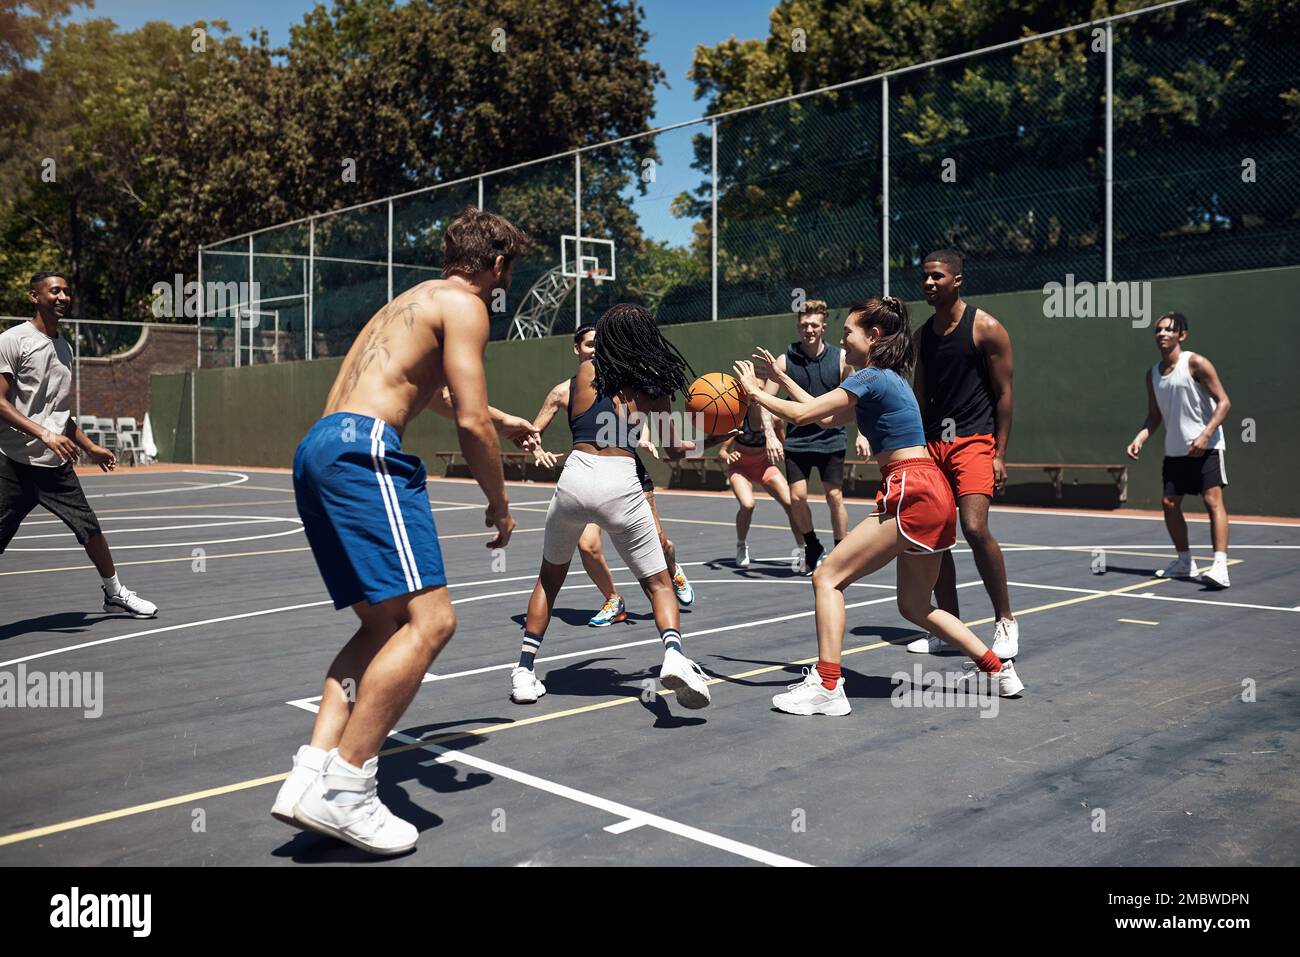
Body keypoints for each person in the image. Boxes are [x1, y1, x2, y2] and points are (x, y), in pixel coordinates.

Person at [273, 207, 540, 855]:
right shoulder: (467, 304)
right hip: (365, 448)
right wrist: (500, 503)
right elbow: (466, 422)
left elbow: (440, 394)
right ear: (497, 265)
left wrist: (499, 418)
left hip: (319, 447)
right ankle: (348, 786)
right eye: (511, 270)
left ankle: (311, 772)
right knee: (433, 620)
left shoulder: (409, 302)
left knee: (380, 625)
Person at [733, 296, 1025, 717]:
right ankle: (997, 669)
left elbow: (804, 412)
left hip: (912, 489)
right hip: (932, 491)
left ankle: (828, 686)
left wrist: (754, 393)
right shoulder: (888, 379)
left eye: (848, 331)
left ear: (872, 337)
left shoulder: (869, 377)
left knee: (827, 577)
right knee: (916, 606)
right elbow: (825, 417)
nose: (841, 338)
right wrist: (781, 376)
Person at [511, 303, 711, 709]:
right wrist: (718, 437)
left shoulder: (583, 374)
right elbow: (673, 452)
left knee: (549, 579)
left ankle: (524, 671)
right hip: (621, 478)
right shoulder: (652, 384)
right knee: (657, 583)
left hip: (576, 474)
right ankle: (673, 655)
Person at [0, 271, 157, 618]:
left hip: (55, 467)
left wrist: (91, 447)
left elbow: (58, 415)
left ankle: (115, 593)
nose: (63, 297)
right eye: (54, 291)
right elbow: (0, 402)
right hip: (12, 464)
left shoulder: (65, 348)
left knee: (90, 528)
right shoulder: (12, 341)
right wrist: (44, 434)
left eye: (66, 292)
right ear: (34, 296)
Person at [529, 324, 695, 628]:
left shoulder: (622, 378)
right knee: (587, 545)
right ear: (576, 348)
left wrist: (645, 434)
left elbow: (638, 411)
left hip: (626, 471)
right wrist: (535, 446)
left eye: (600, 344)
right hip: (588, 476)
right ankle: (613, 599)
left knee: (659, 542)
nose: (596, 349)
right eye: (590, 344)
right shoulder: (564, 390)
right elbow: (534, 430)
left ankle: (672, 570)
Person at [906, 250, 1019, 660]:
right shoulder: (921, 337)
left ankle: (1005, 620)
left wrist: (999, 453)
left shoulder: (986, 328)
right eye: (925, 278)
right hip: (933, 445)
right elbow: (918, 397)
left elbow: (1004, 395)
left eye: (937, 276)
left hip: (975, 441)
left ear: (958, 280)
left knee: (973, 527)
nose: (929, 283)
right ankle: (949, 630)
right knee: (934, 539)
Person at [761, 300, 870, 574]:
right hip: (797, 440)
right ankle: (813, 547)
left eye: (813, 324)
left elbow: (857, 399)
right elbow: (764, 398)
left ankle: (841, 551)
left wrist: (862, 434)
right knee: (797, 498)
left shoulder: (842, 360)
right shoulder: (785, 360)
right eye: (803, 325)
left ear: (823, 327)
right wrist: (770, 436)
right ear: (798, 328)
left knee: (834, 497)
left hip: (831, 437)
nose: (808, 329)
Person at [1126, 312, 1232, 588]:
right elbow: (1154, 415)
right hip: (1175, 452)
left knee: (1212, 501)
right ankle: (1185, 562)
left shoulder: (1196, 363)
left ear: (1181, 336)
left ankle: (1220, 566)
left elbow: (1223, 403)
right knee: (1169, 504)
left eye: (1169, 330)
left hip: (1207, 448)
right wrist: (1141, 437)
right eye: (1158, 330)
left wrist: (1205, 435)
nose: (1162, 334)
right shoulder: (1152, 374)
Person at [718, 402, 802, 567]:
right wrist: (728, 456)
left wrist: (782, 450)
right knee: (748, 505)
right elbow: (722, 451)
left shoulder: (775, 420)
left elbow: (784, 444)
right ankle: (741, 545)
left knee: (792, 504)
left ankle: (803, 550)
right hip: (740, 467)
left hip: (764, 466)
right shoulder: (740, 420)